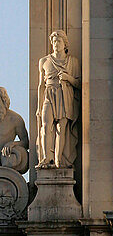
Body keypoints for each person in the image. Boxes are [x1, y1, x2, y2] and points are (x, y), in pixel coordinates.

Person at [36, 30, 80, 168]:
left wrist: (68, 78)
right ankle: (45, 158)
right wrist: (39, 106)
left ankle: (58, 160)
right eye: (54, 41)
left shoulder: (72, 61)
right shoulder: (44, 61)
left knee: (62, 127)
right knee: (46, 126)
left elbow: (79, 84)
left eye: (59, 41)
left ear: (64, 44)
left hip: (64, 95)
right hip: (49, 95)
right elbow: (40, 86)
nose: (56, 44)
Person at [0, 87, 29, 174]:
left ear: (3, 101)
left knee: (15, 154)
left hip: (6, 155)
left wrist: (12, 144)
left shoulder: (15, 119)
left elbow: (26, 143)